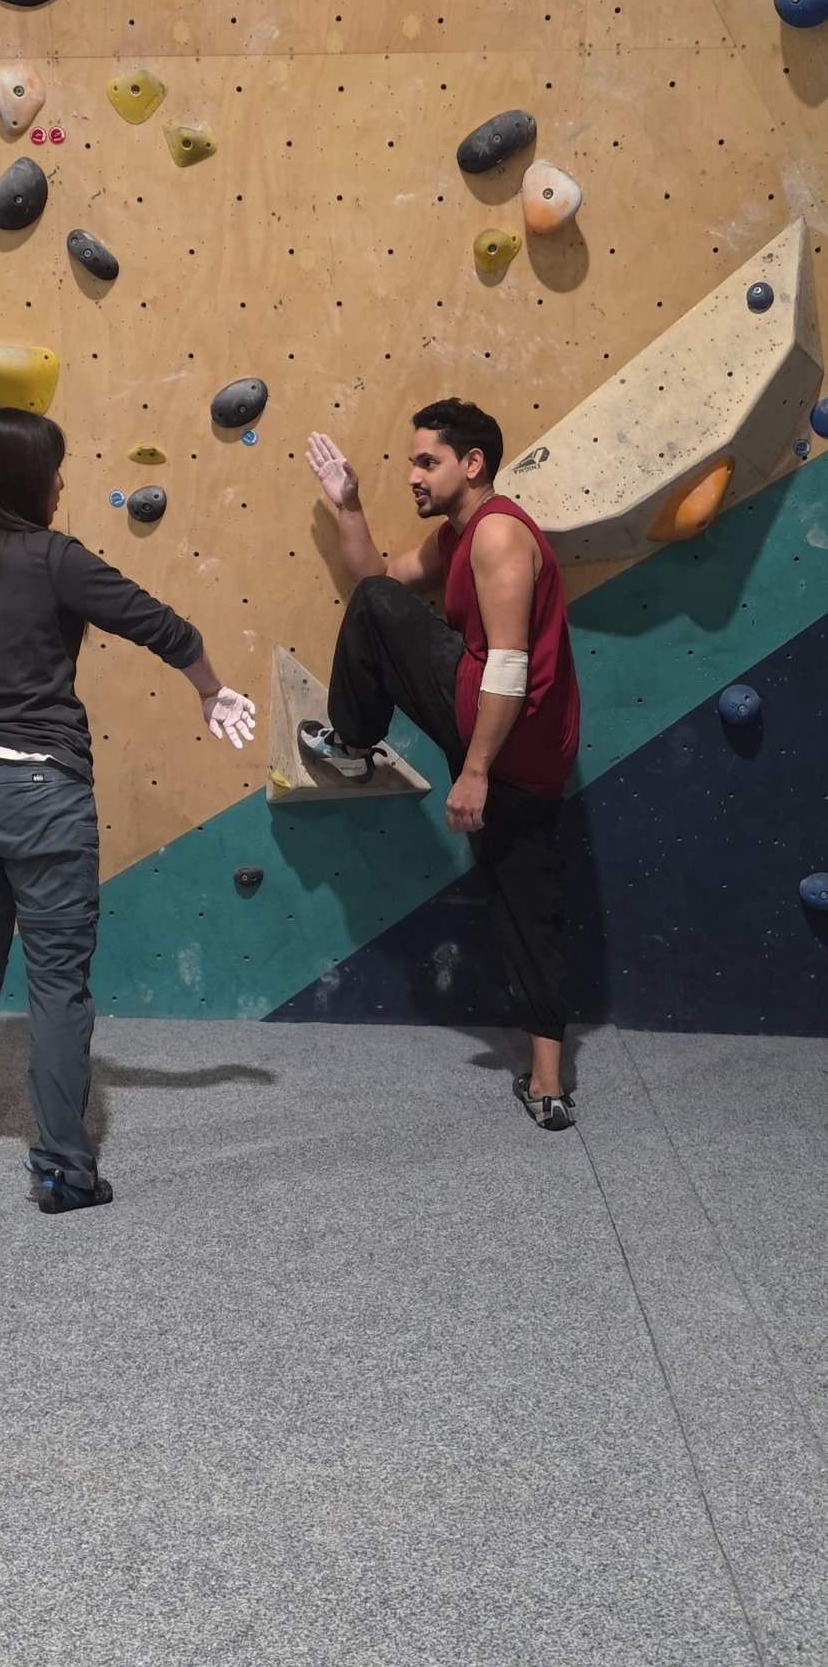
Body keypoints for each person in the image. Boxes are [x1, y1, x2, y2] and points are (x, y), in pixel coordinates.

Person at [0, 408, 255, 1212]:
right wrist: (211, 689)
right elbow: (165, 627)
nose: (63, 481)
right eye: (55, 468)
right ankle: (62, 1167)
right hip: (42, 795)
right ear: (24, 477)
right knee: (57, 984)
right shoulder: (53, 557)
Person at [304, 399, 581, 1131]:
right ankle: (547, 1085)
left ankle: (354, 748)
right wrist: (349, 506)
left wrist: (476, 771)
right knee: (526, 901)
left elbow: (511, 669)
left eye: (425, 461)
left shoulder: (493, 535)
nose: (413, 475)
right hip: (512, 739)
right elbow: (380, 585)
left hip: (500, 731)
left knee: (524, 897)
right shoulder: (455, 537)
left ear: (472, 463)